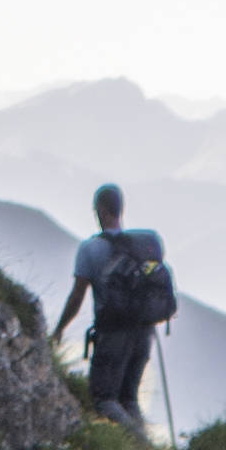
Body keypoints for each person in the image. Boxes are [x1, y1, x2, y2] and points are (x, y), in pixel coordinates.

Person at [54, 183, 175, 430]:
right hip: (144, 331)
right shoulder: (143, 245)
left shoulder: (91, 249)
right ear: (120, 209)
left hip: (113, 333)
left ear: (100, 210)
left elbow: (77, 296)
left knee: (104, 400)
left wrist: (59, 329)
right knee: (128, 399)